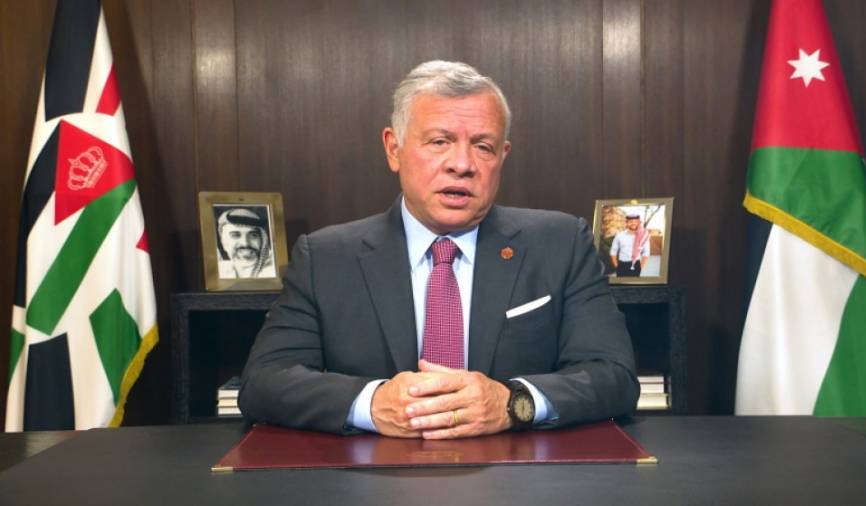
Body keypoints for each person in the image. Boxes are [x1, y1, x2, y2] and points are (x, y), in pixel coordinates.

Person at [239, 60, 638, 439]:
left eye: (483, 146)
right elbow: (264, 381)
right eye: (439, 141)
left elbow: (614, 376)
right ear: (393, 148)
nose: (462, 164)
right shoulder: (325, 258)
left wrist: (512, 402)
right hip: (370, 475)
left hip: (520, 472)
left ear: (502, 156)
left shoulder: (561, 243)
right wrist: (372, 403)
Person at [217, 207, 276, 279]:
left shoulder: (274, 271)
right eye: (235, 235)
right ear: (223, 242)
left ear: (263, 240)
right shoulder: (220, 271)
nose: (245, 243)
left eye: (253, 235)